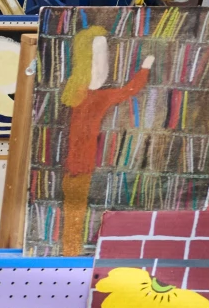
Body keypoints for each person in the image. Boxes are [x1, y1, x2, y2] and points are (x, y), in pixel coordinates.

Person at [58, 27, 155, 254]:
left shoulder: (78, 93)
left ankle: (71, 250)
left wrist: (145, 68)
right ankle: (71, 252)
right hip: (80, 166)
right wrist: (145, 67)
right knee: (76, 211)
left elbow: (127, 90)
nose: (104, 66)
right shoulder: (89, 96)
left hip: (77, 165)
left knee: (75, 210)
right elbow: (129, 90)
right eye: (100, 59)